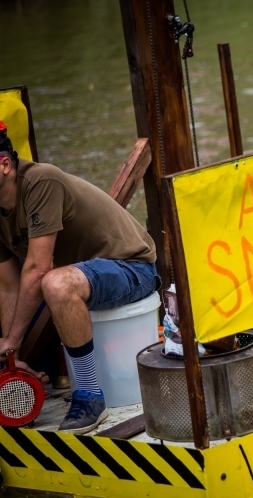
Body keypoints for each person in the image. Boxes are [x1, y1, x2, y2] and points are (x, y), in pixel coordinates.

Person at [0, 120, 160, 434]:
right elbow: (8, 286)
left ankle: (89, 395)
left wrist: (12, 340)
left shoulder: (41, 181)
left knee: (54, 283)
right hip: (82, 276)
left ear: (4, 165)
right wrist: (11, 354)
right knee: (54, 283)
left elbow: (38, 269)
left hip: (133, 268)